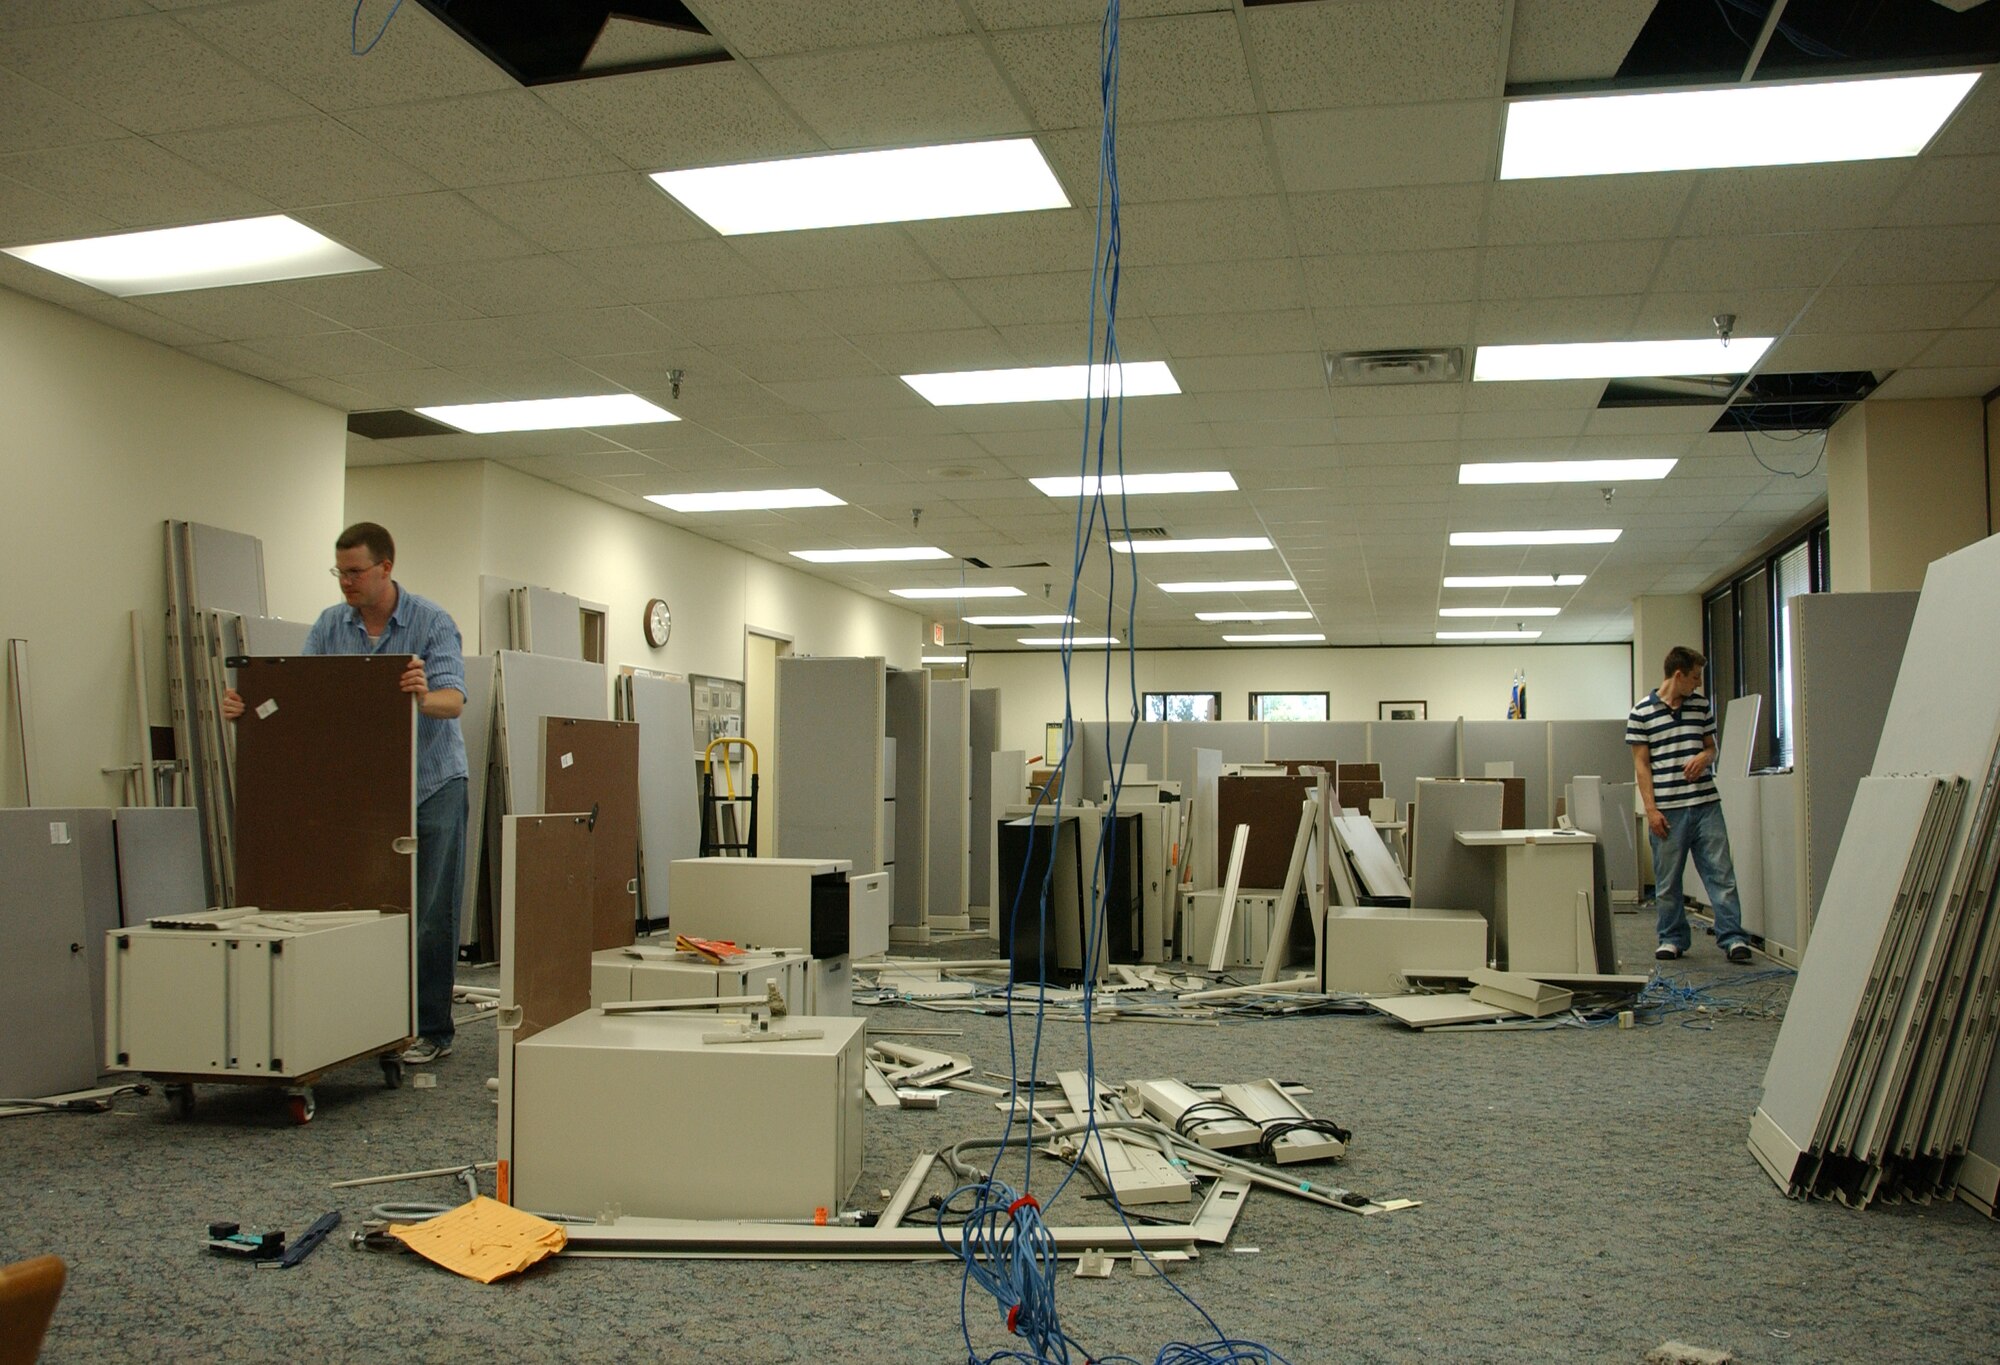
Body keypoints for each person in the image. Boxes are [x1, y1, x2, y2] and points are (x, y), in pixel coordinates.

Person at [223, 522, 468, 1064]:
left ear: (386, 567)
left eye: (356, 572)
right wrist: (252, 710)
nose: (346, 583)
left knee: (431, 914)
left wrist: (421, 695)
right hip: (367, 790)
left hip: (433, 784)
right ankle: (371, 1023)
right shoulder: (331, 625)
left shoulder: (431, 621)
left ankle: (432, 1030)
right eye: (340, 572)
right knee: (363, 911)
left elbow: (452, 701)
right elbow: (305, 694)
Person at [1627, 645, 1751, 965]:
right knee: (1667, 880)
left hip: (1706, 805)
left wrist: (1704, 757)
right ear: (1678, 675)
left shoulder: (1700, 706)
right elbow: (1642, 766)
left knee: (1721, 874)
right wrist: (1651, 810)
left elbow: (1712, 749)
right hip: (1668, 809)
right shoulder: (1641, 713)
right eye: (1694, 677)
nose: (1698, 683)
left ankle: (1733, 937)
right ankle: (1672, 938)